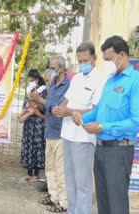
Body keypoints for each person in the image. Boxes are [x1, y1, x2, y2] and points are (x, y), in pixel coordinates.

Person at [72, 36, 139, 214]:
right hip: (101, 149)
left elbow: (135, 122)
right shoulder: (110, 82)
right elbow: (99, 111)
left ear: (122, 54)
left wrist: (102, 127)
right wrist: (82, 118)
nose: (106, 64)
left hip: (119, 151)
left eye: (108, 59)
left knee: (117, 206)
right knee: (103, 204)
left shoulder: (135, 81)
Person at [52, 41, 106, 214]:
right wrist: (60, 108)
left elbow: (95, 110)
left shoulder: (100, 79)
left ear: (94, 58)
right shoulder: (76, 78)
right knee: (70, 181)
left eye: (85, 60)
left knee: (82, 184)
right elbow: (67, 100)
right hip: (67, 134)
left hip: (83, 137)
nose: (82, 64)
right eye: (80, 61)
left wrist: (68, 112)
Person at [30, 55, 70, 212]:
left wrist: (40, 100)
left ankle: (63, 202)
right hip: (50, 131)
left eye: (53, 68)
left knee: (61, 171)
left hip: (61, 133)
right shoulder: (51, 85)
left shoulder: (68, 86)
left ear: (61, 68)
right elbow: (48, 109)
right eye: (50, 67)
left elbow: (57, 108)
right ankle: (53, 197)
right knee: (50, 168)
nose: (50, 71)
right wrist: (37, 104)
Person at [18, 69, 47, 183]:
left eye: (32, 80)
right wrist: (27, 108)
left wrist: (37, 104)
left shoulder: (43, 92)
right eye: (29, 81)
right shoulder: (28, 91)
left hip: (39, 124)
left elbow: (45, 109)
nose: (30, 83)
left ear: (37, 80)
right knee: (28, 146)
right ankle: (29, 173)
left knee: (37, 147)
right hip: (29, 124)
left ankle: (36, 174)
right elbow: (24, 108)